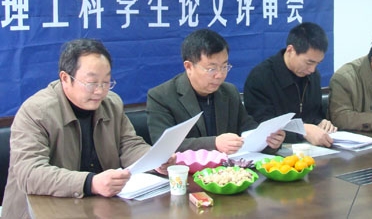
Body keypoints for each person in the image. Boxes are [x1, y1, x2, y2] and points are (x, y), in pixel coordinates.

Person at [3, 39, 174, 219]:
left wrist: (155, 160)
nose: (100, 91)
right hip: (41, 211)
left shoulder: (111, 103)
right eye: (92, 83)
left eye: (106, 82)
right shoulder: (36, 112)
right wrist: (90, 183)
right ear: (65, 78)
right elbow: (29, 173)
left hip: (96, 207)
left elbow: (129, 145)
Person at [147, 29, 285, 154]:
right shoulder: (161, 96)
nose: (220, 75)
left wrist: (269, 141)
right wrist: (214, 143)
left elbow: (248, 129)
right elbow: (162, 147)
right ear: (189, 67)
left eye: (224, 67)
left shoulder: (229, 92)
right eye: (211, 69)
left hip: (229, 170)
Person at [244, 22, 337, 148]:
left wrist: (322, 123)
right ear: (290, 50)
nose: (312, 69)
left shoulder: (313, 76)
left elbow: (314, 114)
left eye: (317, 63)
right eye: (309, 62)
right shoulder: (260, 77)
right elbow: (261, 126)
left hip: (310, 148)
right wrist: (303, 131)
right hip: (274, 151)